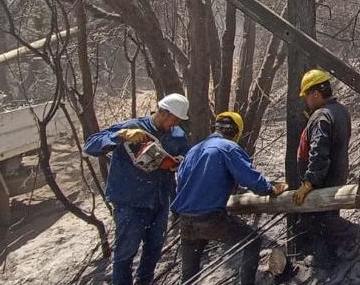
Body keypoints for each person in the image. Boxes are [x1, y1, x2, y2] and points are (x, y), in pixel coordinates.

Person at [84, 93, 191, 285]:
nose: (175, 124)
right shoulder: (133, 127)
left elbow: (186, 155)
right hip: (130, 202)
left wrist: (177, 163)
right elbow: (91, 146)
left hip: (159, 201)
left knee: (153, 250)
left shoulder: (177, 135)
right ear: (164, 112)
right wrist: (118, 136)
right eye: (174, 119)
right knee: (125, 253)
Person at [172, 111, 289, 285]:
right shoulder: (228, 148)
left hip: (185, 220)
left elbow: (184, 183)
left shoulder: (194, 151)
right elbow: (251, 179)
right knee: (252, 241)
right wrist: (270, 189)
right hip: (210, 218)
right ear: (236, 133)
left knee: (189, 275)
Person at [292, 69, 360, 270]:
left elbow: (318, 152)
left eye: (307, 96)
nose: (306, 101)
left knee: (319, 218)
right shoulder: (340, 110)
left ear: (315, 94)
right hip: (337, 172)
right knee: (325, 217)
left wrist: (309, 182)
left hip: (324, 177)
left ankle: (351, 232)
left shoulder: (322, 117)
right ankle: (325, 257)